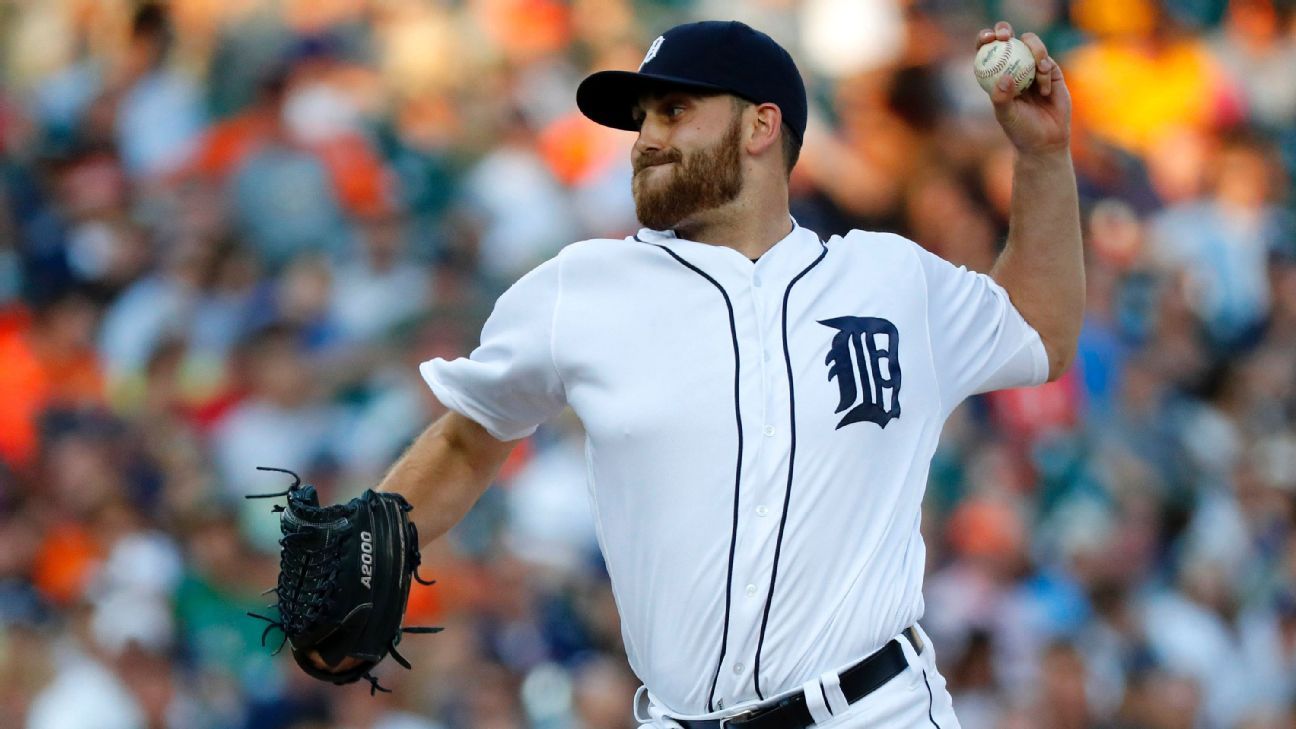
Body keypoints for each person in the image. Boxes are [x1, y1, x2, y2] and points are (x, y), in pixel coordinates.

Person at [366, 18, 1081, 729]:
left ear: (760, 126)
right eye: (643, 119)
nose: (646, 138)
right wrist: (367, 554)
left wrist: (1043, 156)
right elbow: (468, 439)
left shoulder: (892, 280)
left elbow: (1041, 332)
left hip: (874, 708)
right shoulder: (580, 288)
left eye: (675, 111)